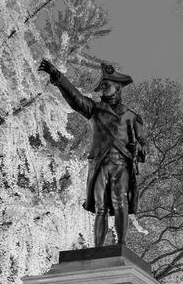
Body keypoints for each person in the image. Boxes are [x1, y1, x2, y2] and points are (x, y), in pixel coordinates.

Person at [38, 59, 146, 247]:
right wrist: (58, 77)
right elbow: (76, 98)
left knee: (120, 203)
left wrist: (138, 148)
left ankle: (121, 245)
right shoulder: (95, 109)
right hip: (100, 163)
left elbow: (144, 145)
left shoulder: (132, 117)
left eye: (106, 85)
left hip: (121, 164)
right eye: (101, 87)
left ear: (117, 87)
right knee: (100, 207)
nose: (102, 90)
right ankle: (98, 248)